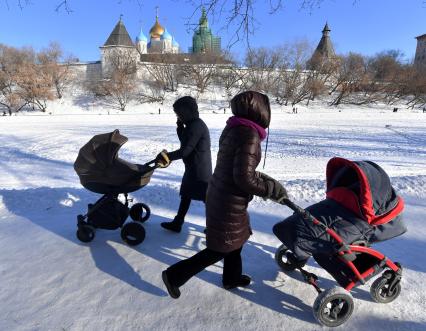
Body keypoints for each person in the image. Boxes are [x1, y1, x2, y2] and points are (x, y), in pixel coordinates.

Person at [161, 91, 288, 299]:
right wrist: (270, 190)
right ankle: (174, 276)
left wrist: (261, 179)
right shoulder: (250, 135)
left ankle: (231, 278)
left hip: (221, 192)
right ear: (260, 112)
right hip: (230, 200)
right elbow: (244, 179)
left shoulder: (234, 127)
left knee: (235, 242)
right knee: (219, 248)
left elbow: (237, 168)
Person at [157, 96, 212, 233]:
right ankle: (178, 222)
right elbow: (186, 141)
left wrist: (166, 156)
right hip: (194, 167)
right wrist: (180, 127)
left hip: (199, 169)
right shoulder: (192, 124)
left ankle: (213, 227)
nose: (178, 116)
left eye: (179, 114)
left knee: (207, 199)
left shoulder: (196, 126)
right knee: (186, 195)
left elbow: (185, 151)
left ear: (186, 112)